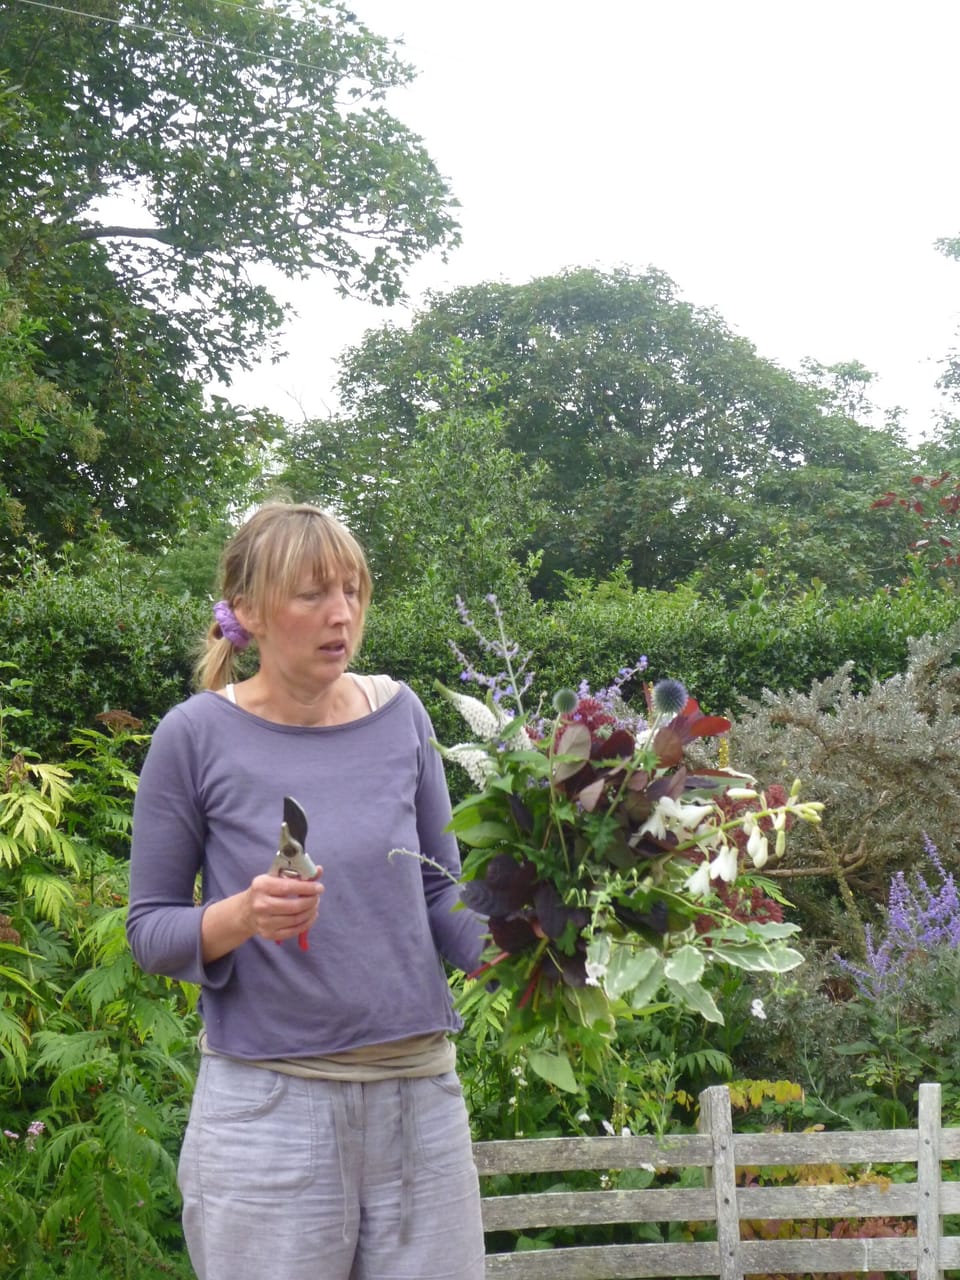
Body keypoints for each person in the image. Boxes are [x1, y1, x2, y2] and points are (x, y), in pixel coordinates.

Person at [127, 502, 489, 1280]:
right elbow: (149, 930)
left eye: (354, 591)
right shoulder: (192, 737)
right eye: (313, 593)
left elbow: (440, 894)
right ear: (248, 611)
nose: (342, 614)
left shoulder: (402, 716)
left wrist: (529, 946)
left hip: (421, 1103)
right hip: (268, 1112)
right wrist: (242, 915)